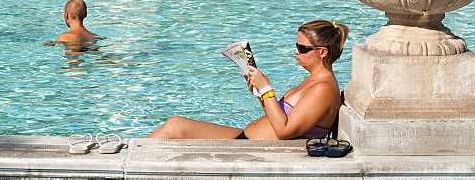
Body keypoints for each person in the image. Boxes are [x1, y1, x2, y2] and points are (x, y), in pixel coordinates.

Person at [148, 20, 348, 140]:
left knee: (175, 128)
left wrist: (267, 89)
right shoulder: (312, 82)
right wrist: (260, 93)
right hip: (246, 139)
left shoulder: (323, 89)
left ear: (322, 52)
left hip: (251, 150)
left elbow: (285, 130)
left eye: (303, 48)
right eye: (297, 45)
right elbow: (279, 117)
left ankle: (121, 163)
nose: (296, 51)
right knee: (175, 125)